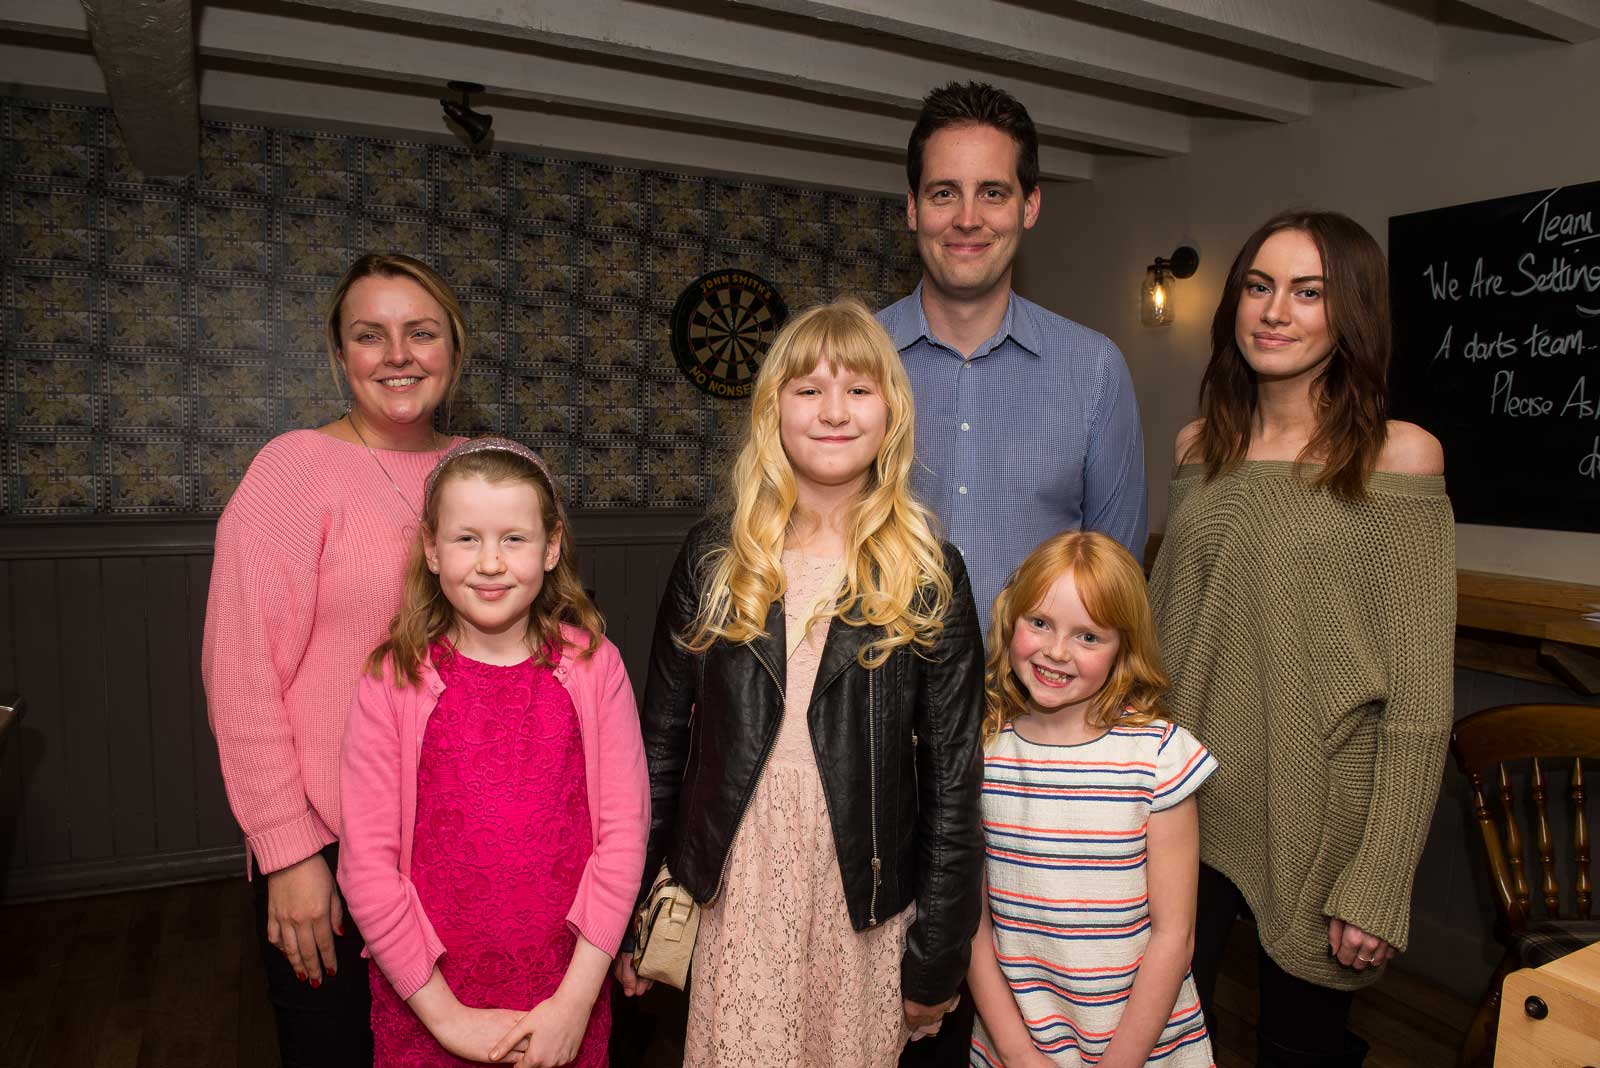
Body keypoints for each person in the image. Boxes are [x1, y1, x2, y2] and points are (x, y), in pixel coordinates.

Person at [615, 299, 986, 1068]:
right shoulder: (716, 558)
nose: (833, 411)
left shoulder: (929, 575)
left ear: (892, 411)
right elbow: (659, 745)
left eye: (858, 389)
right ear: (772, 411)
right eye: (807, 389)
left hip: (864, 892)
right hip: (737, 881)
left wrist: (940, 953)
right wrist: (630, 914)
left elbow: (954, 779)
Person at [1148, 210, 1454, 1067]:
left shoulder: (1401, 457)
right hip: (1183, 806)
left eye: (1308, 292)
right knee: (1160, 1039)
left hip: (1320, 815)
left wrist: (1381, 877)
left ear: (1349, 313)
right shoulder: (1199, 447)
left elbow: (1423, 702)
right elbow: (1163, 630)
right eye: (1259, 286)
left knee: (1299, 1052)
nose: (1274, 311)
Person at [202, 252, 469, 1065]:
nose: (397, 355)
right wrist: (287, 854)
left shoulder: (488, 468)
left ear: (454, 349)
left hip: (467, 837)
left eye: (420, 333)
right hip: (331, 845)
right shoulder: (293, 470)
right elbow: (241, 675)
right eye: (369, 335)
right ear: (339, 356)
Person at [338, 437, 650, 1067]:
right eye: (465, 539)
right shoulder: (393, 678)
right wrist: (447, 1019)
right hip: (427, 1003)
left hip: (565, 995)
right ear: (430, 548)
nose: (490, 562)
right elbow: (368, 869)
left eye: (514, 538)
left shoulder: (595, 669)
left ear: (552, 545)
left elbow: (622, 843)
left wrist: (574, 1004)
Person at [878, 82, 1147, 635]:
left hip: (1037, 712)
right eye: (944, 193)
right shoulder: (850, 364)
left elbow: (1116, 584)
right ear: (912, 208)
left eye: (993, 193)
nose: (968, 218)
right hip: (873, 704)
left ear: (1030, 206)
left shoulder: (1094, 371)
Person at [968, 531, 1217, 1068]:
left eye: (1088, 636)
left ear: (1123, 646)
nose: (1057, 651)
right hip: (1018, 1044)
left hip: (1143, 1047)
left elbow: (1176, 935)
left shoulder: (1158, 757)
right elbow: (974, 924)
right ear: (1010, 620)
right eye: (1039, 623)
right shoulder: (983, 754)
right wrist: (1016, 1053)